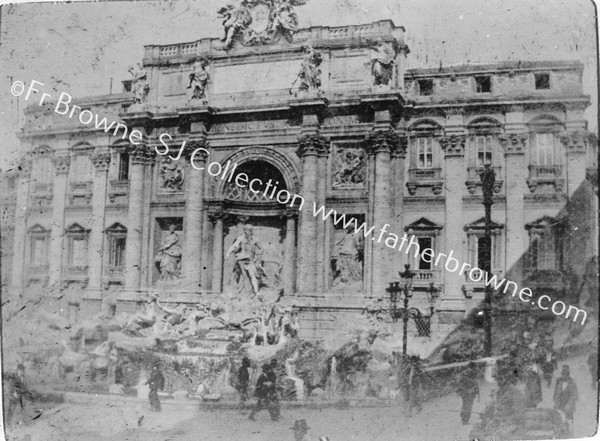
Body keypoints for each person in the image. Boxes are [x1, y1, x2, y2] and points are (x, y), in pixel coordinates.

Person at [225, 224, 265, 296]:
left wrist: (258, 256)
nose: (248, 232)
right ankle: (246, 292)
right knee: (245, 276)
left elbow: (261, 249)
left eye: (250, 230)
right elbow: (234, 246)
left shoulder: (255, 239)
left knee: (252, 275)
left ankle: (256, 292)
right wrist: (228, 253)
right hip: (242, 260)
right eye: (247, 230)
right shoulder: (241, 238)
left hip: (251, 260)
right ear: (245, 230)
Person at [553, 365, 578, 433]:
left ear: (568, 375)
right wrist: (555, 400)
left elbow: (574, 395)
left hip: (568, 406)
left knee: (568, 419)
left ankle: (569, 432)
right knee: (559, 418)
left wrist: (569, 404)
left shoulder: (571, 382)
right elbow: (556, 392)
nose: (563, 376)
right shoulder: (559, 381)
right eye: (562, 375)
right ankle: (560, 431)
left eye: (565, 375)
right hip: (560, 404)